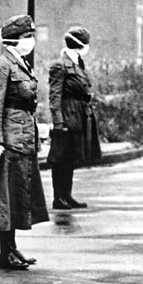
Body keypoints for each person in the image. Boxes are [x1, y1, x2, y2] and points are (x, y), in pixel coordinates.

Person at [0, 15, 49, 271]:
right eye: (26, 37)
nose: (30, 41)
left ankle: (11, 248)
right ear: (14, 40)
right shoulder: (2, 65)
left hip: (23, 138)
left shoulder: (19, 63)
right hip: (9, 140)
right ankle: (5, 252)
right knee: (5, 198)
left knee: (17, 196)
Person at [47, 27, 101, 209]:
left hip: (78, 114)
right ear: (80, 45)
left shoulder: (78, 62)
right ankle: (58, 197)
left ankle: (66, 195)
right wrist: (58, 122)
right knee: (61, 157)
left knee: (70, 157)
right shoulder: (60, 65)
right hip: (67, 113)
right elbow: (54, 96)